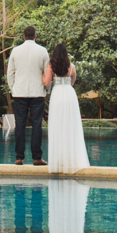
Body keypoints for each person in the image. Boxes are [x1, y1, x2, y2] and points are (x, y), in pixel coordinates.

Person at [43, 43, 90, 174]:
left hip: (57, 95)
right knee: (70, 127)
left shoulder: (51, 67)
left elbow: (47, 82)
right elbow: (72, 82)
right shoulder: (72, 67)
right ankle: (71, 159)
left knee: (58, 126)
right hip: (69, 95)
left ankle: (59, 160)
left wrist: (40, 75)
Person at [7, 26, 49, 166]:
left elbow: (10, 73)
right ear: (35, 36)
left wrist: (13, 88)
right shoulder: (42, 51)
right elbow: (46, 73)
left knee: (20, 124)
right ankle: (37, 157)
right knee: (37, 124)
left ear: (24, 36)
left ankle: (19, 157)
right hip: (37, 92)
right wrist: (46, 89)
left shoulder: (15, 51)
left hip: (19, 93)